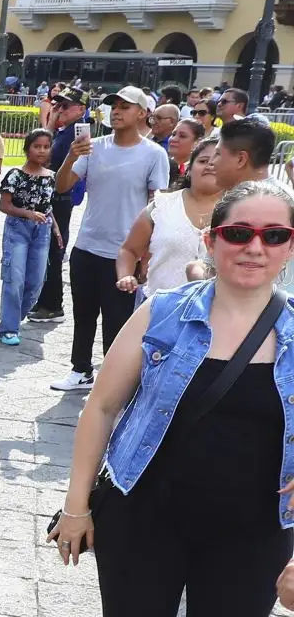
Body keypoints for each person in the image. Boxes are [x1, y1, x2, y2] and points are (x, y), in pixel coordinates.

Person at [49, 180, 294, 617]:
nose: (255, 248)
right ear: (212, 239)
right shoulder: (164, 312)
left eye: (274, 235)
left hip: (252, 537)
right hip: (144, 516)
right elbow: (101, 407)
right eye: (239, 232)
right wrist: (76, 507)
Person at [51, 86, 171, 393]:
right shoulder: (93, 147)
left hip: (124, 254)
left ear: (143, 113)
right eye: (113, 106)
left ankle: (112, 379)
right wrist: (70, 157)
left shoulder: (154, 154)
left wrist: (145, 255)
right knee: (83, 314)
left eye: (125, 106)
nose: (116, 111)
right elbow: (63, 187)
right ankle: (80, 370)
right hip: (87, 244)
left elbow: (158, 206)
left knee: (117, 321)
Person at [116, 135, 223, 309]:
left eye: (217, 161)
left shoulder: (238, 211)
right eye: (203, 161)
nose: (210, 165)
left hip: (214, 313)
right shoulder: (161, 206)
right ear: (189, 169)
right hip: (159, 308)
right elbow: (129, 249)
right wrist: (125, 275)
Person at [31, 88, 90, 323]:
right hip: (56, 197)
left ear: (81, 109)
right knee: (49, 249)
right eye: (58, 105)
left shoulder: (75, 135)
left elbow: (41, 155)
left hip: (61, 198)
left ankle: (52, 304)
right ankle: (47, 301)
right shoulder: (66, 132)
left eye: (66, 106)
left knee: (53, 250)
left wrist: (52, 123)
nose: (60, 110)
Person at [0, 129, 58, 345]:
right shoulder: (15, 175)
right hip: (18, 228)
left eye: (45, 146)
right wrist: (27, 214)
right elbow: (4, 206)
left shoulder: (51, 177)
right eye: (36, 146)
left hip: (42, 231)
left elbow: (47, 207)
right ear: (27, 148)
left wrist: (56, 230)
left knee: (36, 281)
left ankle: (13, 316)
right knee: (15, 279)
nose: (41, 151)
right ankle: (8, 328)